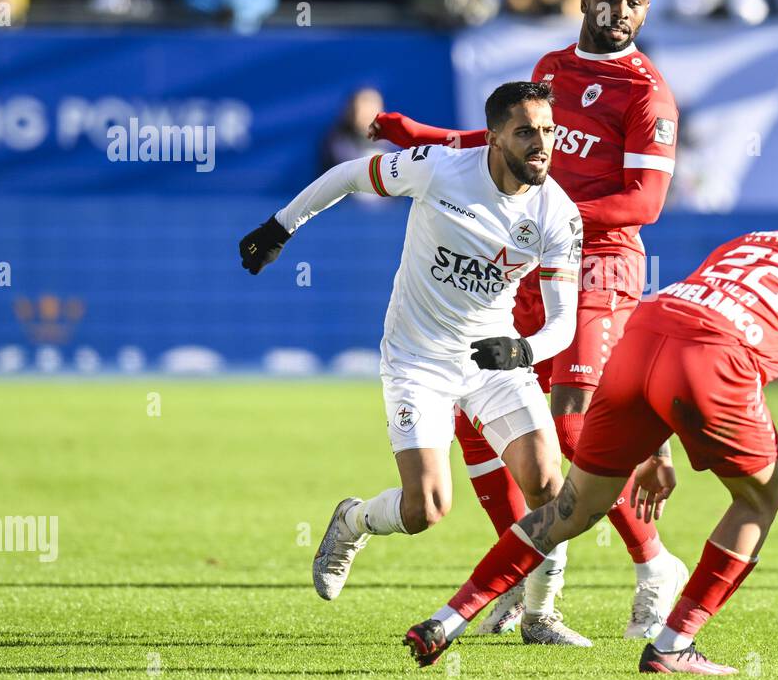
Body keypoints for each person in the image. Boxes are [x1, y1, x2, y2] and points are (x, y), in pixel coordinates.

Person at [403, 167, 778, 674]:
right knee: (762, 497)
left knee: (575, 508)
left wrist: (656, 451)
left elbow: (680, 328)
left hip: (644, 333)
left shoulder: (745, 241)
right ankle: (673, 645)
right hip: (714, 360)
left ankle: (447, 619)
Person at [370, 0, 687, 640]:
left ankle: (655, 564)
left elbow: (647, 202)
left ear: (646, 10)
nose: (620, 9)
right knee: (476, 396)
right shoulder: (550, 69)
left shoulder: (648, 94)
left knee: (573, 428)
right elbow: (503, 147)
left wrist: (556, 213)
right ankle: (528, 584)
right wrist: (425, 137)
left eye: (634, 0)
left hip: (600, 264)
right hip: (532, 257)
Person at [238, 81, 592, 647]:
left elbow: (563, 323)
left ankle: (540, 614)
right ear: (495, 137)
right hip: (418, 357)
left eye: (549, 132)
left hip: (492, 359)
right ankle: (353, 520)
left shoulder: (558, 214)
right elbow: (352, 174)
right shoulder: (441, 170)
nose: (542, 144)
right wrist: (281, 226)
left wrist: (524, 350)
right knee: (426, 508)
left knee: (550, 483)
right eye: (527, 132)